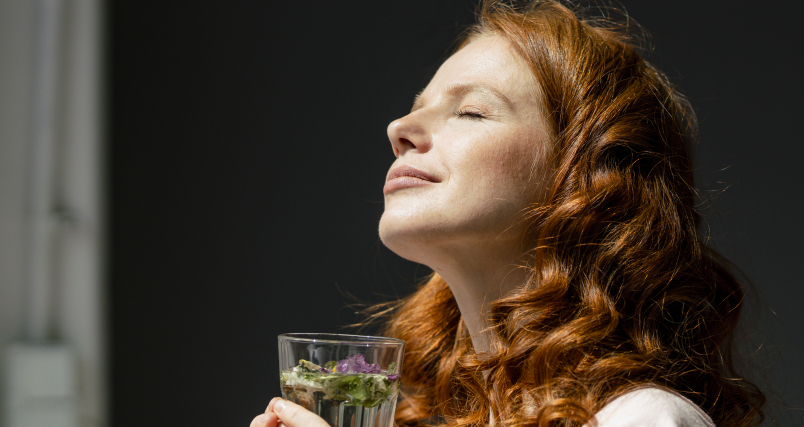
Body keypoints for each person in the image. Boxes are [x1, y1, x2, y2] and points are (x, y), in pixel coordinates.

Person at [250, 1, 764, 426]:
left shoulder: (645, 418)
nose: (398, 128)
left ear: (587, 175)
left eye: (470, 111)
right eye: (417, 106)